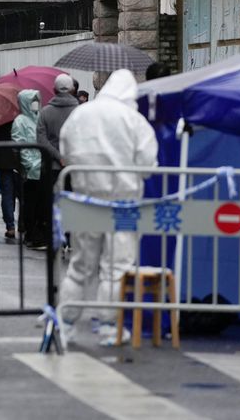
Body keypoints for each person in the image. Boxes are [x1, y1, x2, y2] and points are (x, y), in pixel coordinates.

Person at [57, 68, 158, 348]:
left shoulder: (81, 114)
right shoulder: (134, 121)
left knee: (79, 265)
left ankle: (65, 324)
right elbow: (148, 165)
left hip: (85, 201)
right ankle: (108, 327)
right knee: (116, 267)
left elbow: (64, 151)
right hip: (124, 205)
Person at [12, 89, 46, 250]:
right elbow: (20, 146)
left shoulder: (40, 117)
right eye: (32, 100)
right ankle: (31, 234)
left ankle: (40, 233)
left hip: (42, 168)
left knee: (41, 203)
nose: (35, 103)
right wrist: (30, 164)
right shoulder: (20, 121)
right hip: (30, 169)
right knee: (29, 204)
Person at [37, 73, 78, 183]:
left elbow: (42, 140)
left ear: (54, 90)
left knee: (52, 199)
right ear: (73, 90)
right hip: (75, 166)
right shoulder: (81, 112)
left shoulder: (44, 112)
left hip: (51, 166)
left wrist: (59, 157)